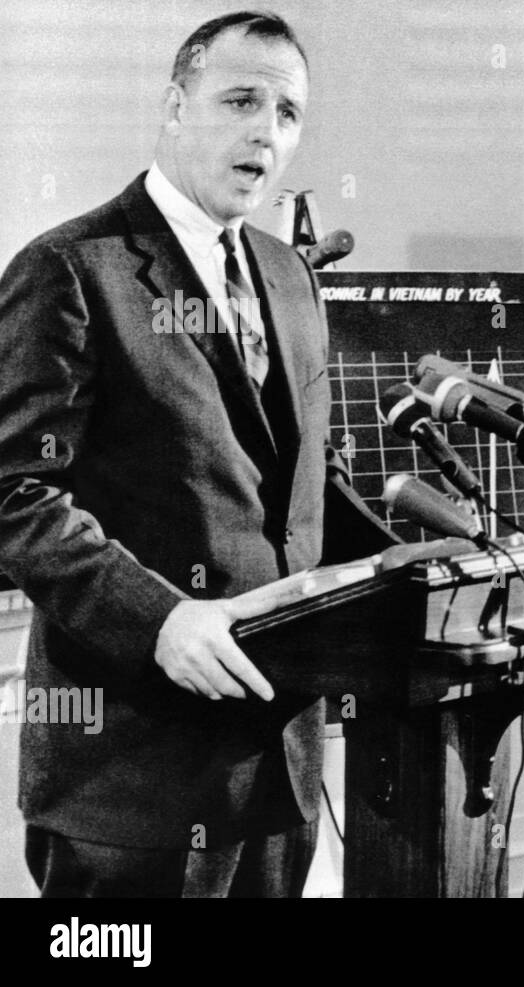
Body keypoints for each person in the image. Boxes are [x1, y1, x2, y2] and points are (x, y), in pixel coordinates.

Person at [0, 12, 332, 896]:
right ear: (174, 106)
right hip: (132, 781)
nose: (266, 131)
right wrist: (160, 619)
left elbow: (301, 489)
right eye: (240, 100)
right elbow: (15, 493)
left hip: (275, 764)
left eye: (288, 113)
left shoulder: (290, 277)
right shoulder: (72, 267)